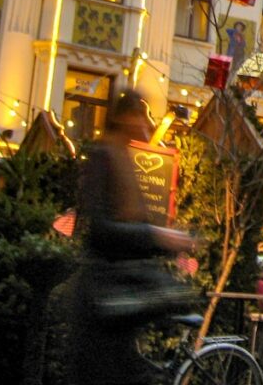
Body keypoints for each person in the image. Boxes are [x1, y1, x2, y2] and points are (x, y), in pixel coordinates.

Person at [69, 91, 195, 385]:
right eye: (144, 115)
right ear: (126, 117)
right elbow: (99, 228)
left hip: (115, 302)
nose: (149, 125)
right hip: (104, 299)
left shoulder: (122, 158)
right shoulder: (104, 157)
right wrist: (158, 236)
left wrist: (160, 241)